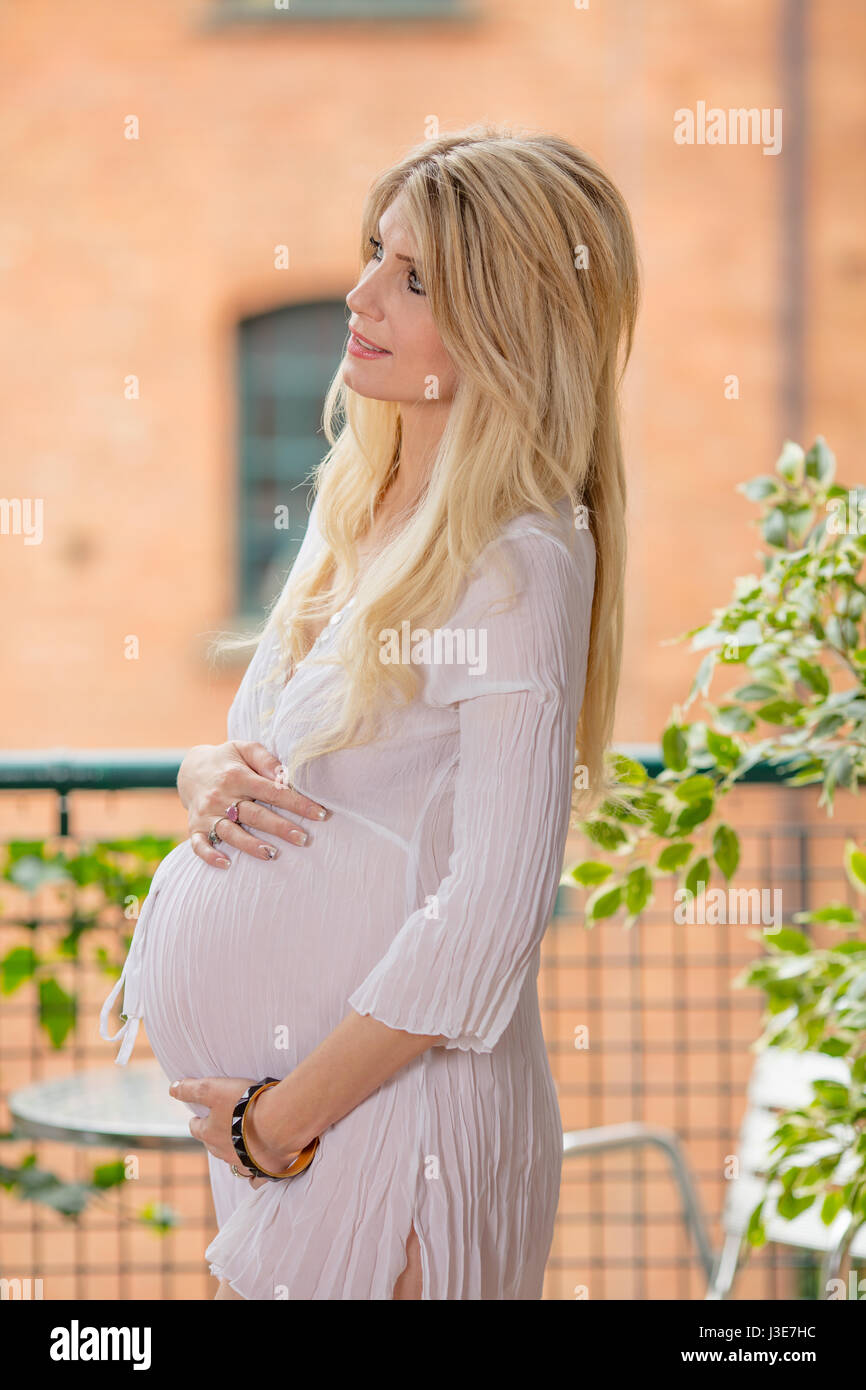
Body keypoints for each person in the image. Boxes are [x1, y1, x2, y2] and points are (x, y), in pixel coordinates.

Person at [100, 123, 640, 1300]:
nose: (358, 293)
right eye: (370, 255)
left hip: (395, 1133)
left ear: (508, 319)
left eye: (411, 278)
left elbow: (490, 910)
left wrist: (280, 1119)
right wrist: (202, 774)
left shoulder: (523, 556)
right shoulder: (359, 505)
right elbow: (264, 744)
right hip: (289, 1138)